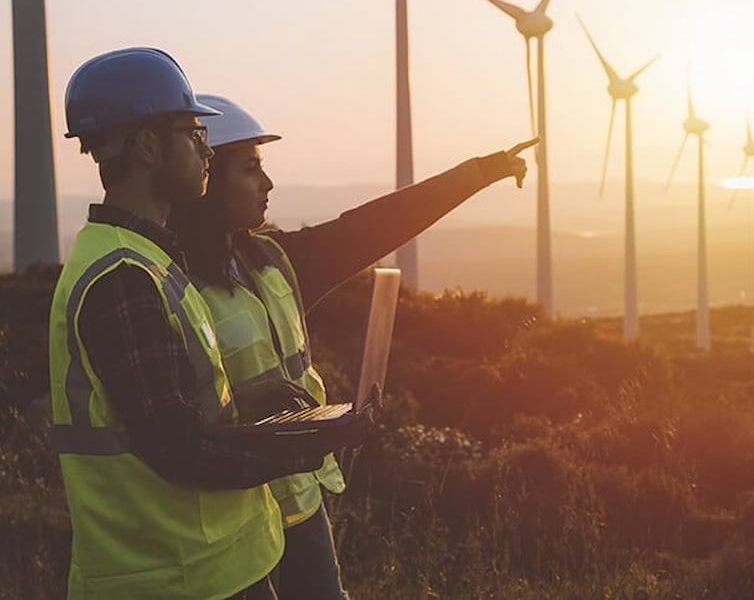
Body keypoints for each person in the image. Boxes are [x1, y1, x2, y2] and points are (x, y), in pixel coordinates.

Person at [168, 93, 537, 600]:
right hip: (231, 521)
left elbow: (373, 226)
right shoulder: (171, 286)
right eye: (251, 169)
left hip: (300, 503)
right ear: (208, 180)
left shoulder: (274, 262)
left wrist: (478, 172)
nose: (267, 183)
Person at [48, 48, 371, 600]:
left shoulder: (150, 261)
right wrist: (311, 441)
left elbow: (174, 412)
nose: (205, 147)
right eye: (194, 131)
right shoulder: (123, 279)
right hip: (174, 578)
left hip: (215, 567)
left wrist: (252, 401)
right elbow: (180, 450)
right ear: (148, 146)